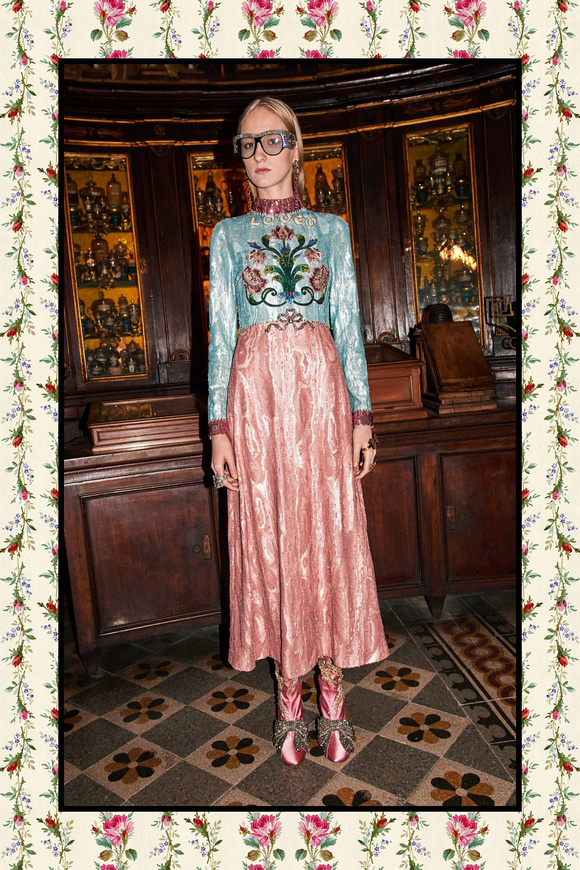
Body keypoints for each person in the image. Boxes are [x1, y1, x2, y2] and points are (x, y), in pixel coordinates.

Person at [207, 96, 389, 766]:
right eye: (247, 143)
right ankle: (289, 695)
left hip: (320, 397)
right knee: (274, 535)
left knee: (326, 533)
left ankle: (332, 694)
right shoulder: (227, 236)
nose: (259, 154)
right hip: (255, 402)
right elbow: (220, 335)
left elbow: (349, 325)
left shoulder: (332, 230)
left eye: (272, 140)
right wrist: (219, 428)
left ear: (296, 146)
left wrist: (362, 418)